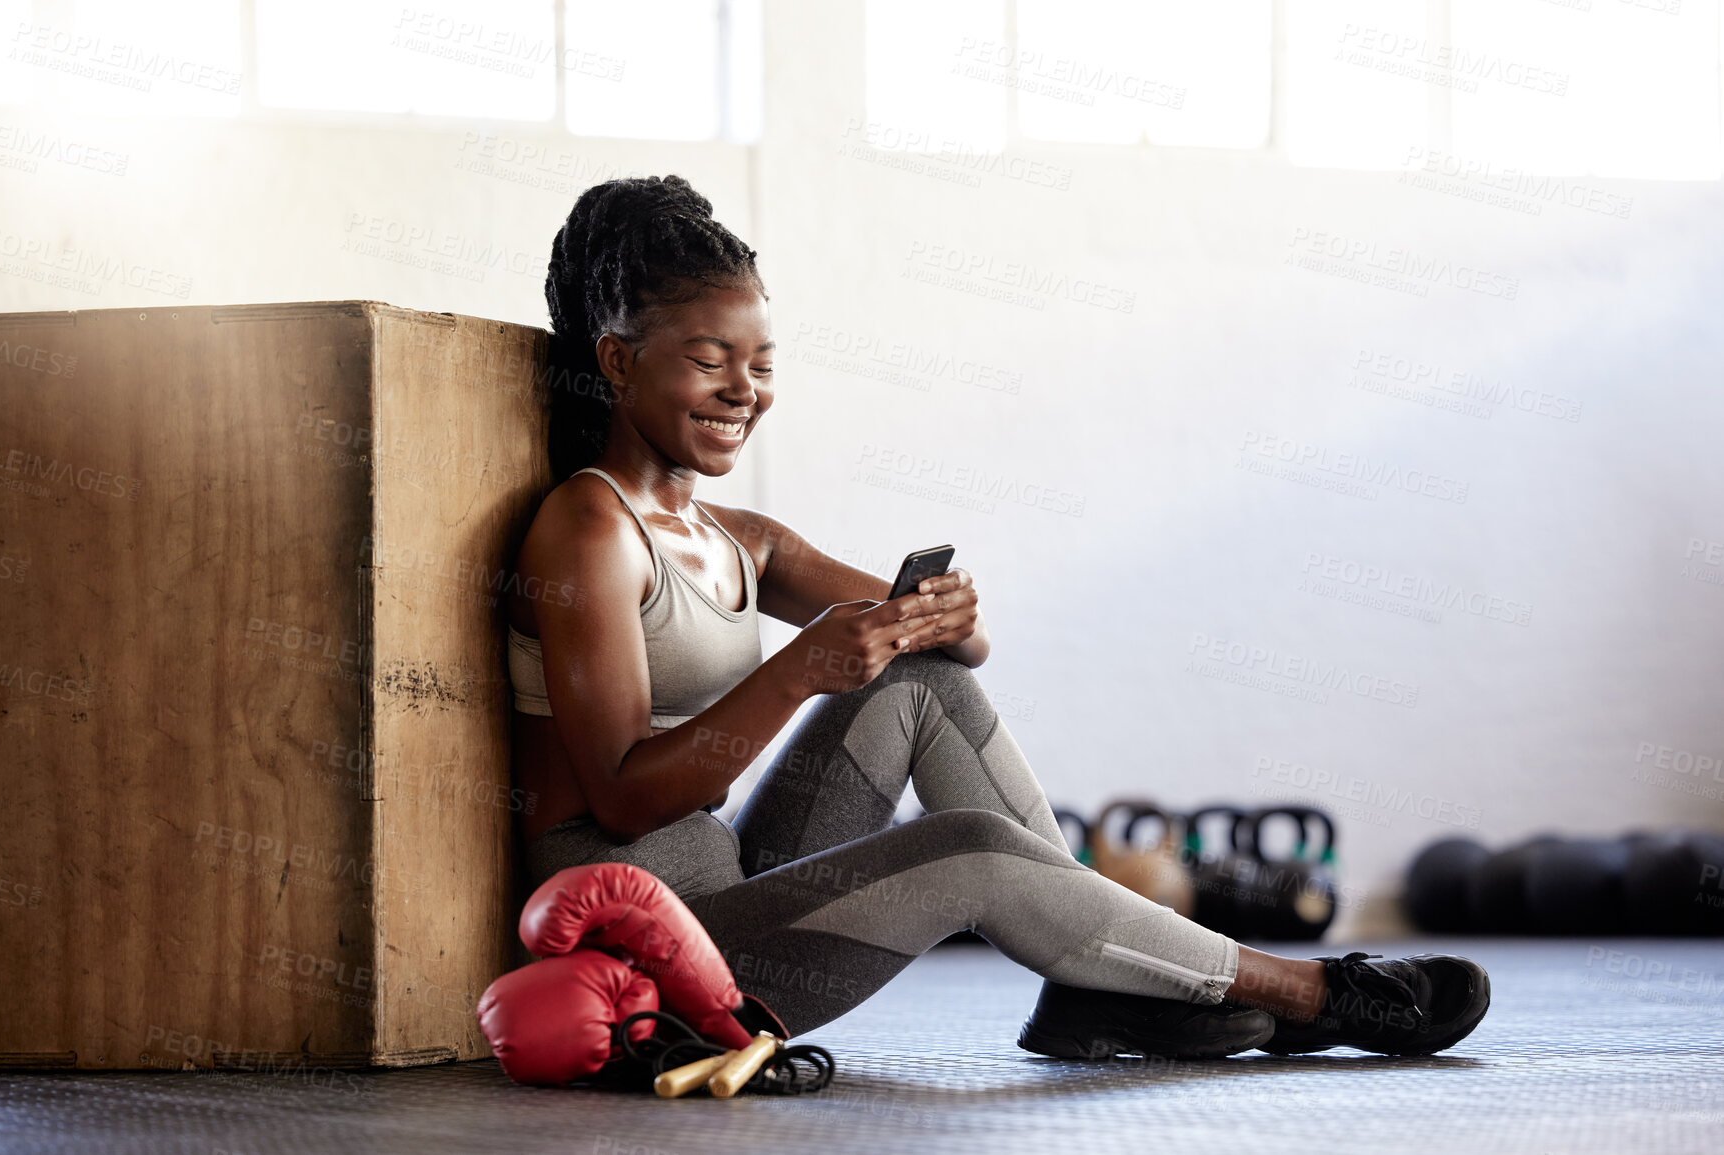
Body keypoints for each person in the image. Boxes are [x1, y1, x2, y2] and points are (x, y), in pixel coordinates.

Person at [504, 174, 1490, 1060]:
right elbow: (626, 799)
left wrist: (945, 613)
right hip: (665, 968)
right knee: (968, 845)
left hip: (733, 892)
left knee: (923, 687)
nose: (743, 392)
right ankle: (1317, 996)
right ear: (618, 363)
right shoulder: (588, 528)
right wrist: (800, 667)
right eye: (710, 359)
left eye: (762, 363)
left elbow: (953, 652)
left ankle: (1092, 989)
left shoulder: (737, 536)